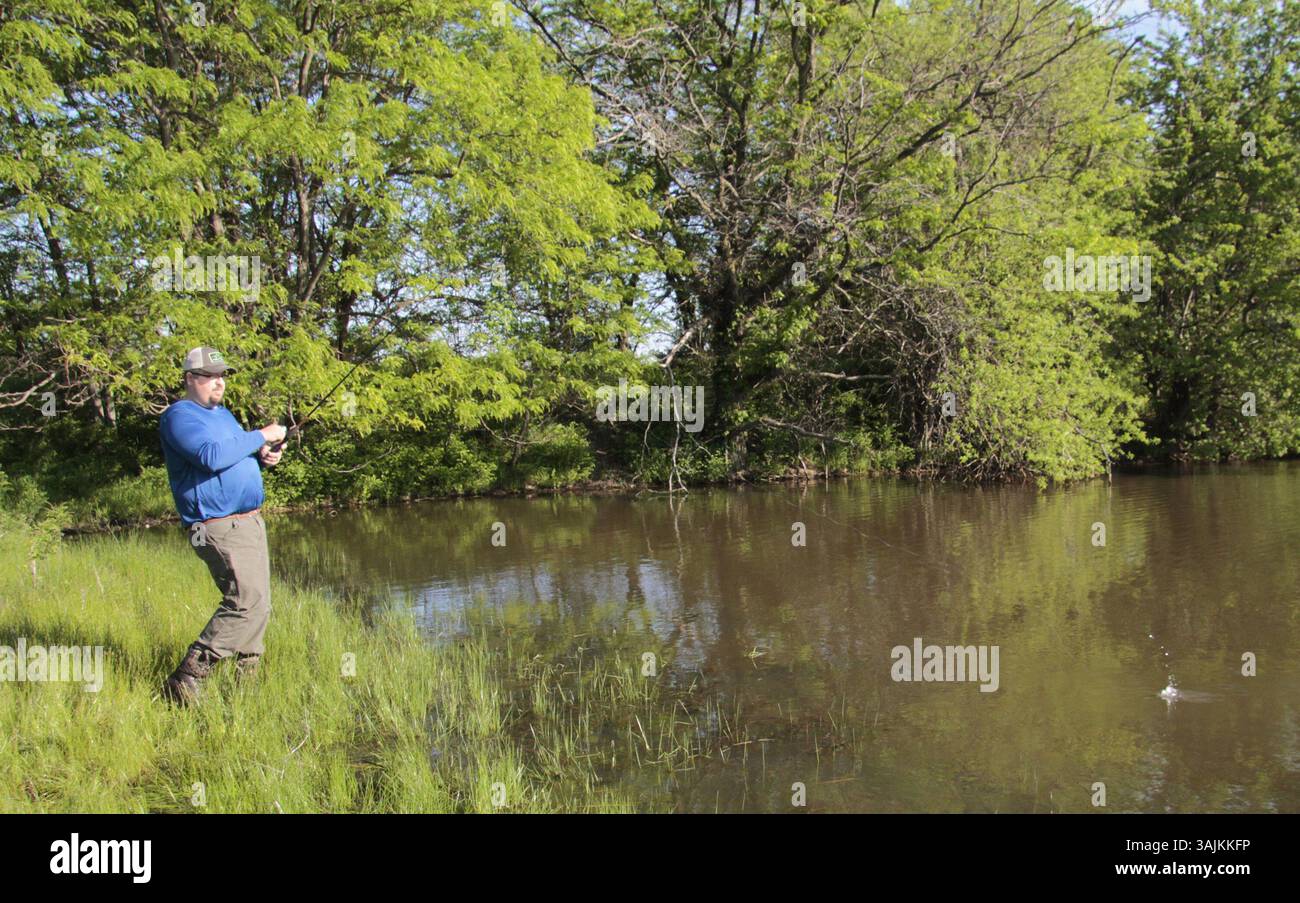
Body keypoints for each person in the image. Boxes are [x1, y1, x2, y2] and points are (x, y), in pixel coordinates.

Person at [158, 346, 287, 704]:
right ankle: (188, 675)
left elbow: (234, 456)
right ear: (189, 379)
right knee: (244, 600)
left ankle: (246, 685)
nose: (219, 383)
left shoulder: (225, 416)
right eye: (210, 376)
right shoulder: (179, 417)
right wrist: (262, 435)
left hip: (248, 522)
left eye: (222, 376)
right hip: (216, 525)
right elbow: (211, 457)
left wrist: (262, 457)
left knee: (259, 604)